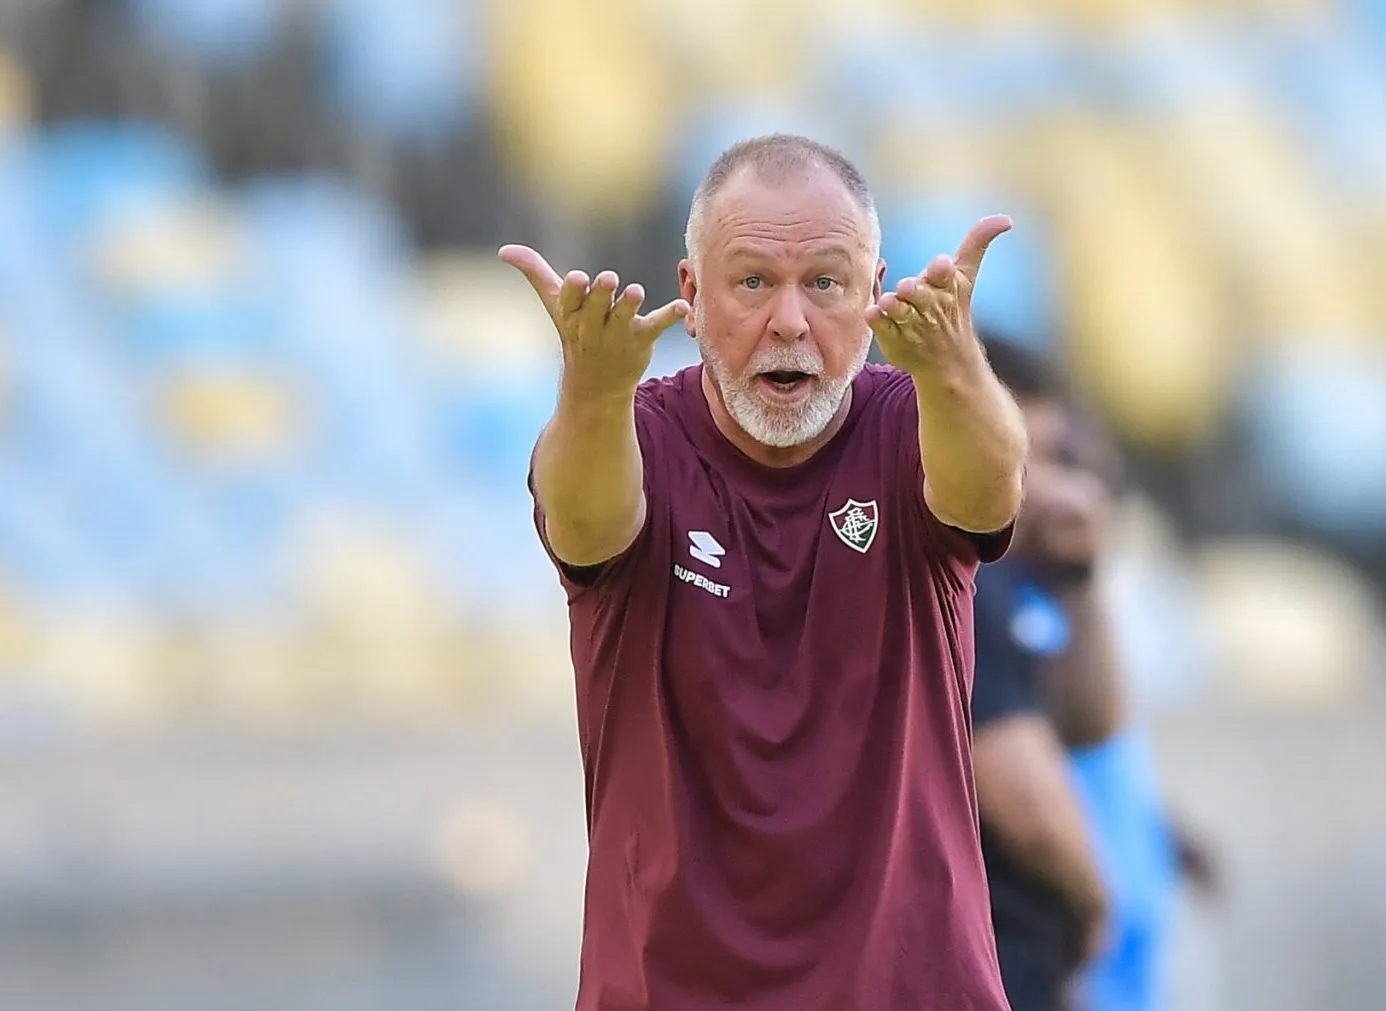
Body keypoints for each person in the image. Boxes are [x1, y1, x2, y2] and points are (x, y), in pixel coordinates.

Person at [500, 134, 1030, 1011]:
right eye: (752, 282)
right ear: (692, 296)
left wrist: (954, 366)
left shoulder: (911, 428)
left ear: (872, 291)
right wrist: (591, 392)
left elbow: (986, 494)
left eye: (824, 282)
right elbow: (587, 526)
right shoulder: (637, 438)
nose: (790, 321)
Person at [971, 335, 1220, 1011]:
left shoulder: (1030, 588)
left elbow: (1085, 725)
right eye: (1029, 454)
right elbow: (1015, 781)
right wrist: (1089, 893)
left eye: (1058, 455)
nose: (1051, 482)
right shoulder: (954, 586)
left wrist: (1081, 575)